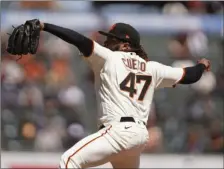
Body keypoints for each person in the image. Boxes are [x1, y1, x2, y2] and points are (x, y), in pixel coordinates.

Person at [7, 20, 211, 168]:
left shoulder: (110, 58)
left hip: (117, 132)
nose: (106, 43)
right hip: (138, 136)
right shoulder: (152, 68)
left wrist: (45, 26)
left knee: (69, 161)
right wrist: (202, 66)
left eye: (111, 40)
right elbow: (190, 75)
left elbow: (79, 40)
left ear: (124, 45)